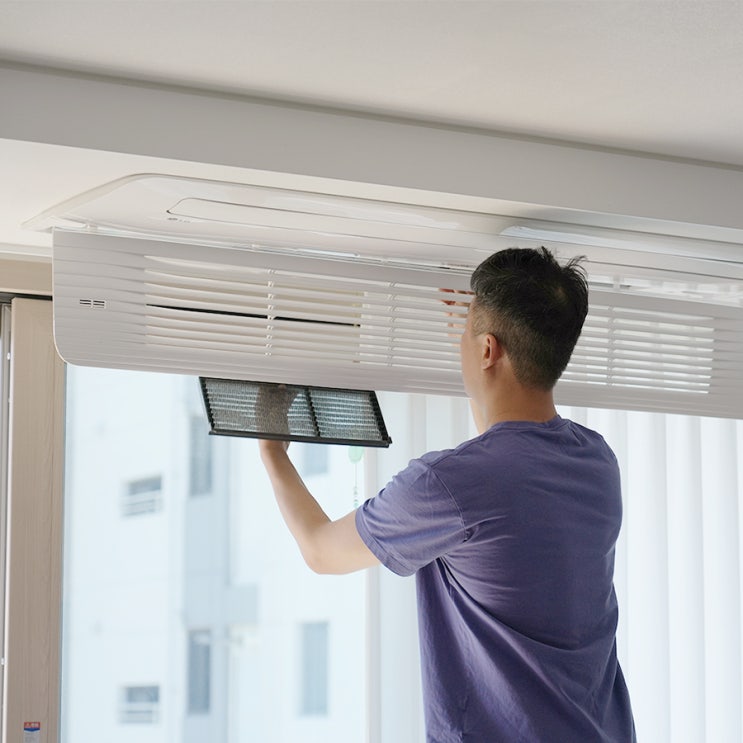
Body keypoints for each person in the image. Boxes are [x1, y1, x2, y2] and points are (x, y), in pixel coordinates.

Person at [258, 247, 636, 742]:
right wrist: (478, 333)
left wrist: (272, 450)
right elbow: (506, 451)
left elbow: (320, 550)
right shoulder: (596, 462)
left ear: (487, 350)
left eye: (467, 335)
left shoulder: (447, 485)